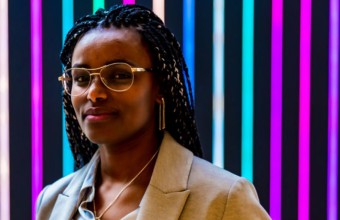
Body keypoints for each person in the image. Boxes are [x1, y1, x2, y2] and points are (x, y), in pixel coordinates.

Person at [36, 4, 271, 220]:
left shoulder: (224, 198)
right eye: (81, 78)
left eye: (119, 75)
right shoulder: (52, 200)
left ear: (159, 86)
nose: (94, 93)